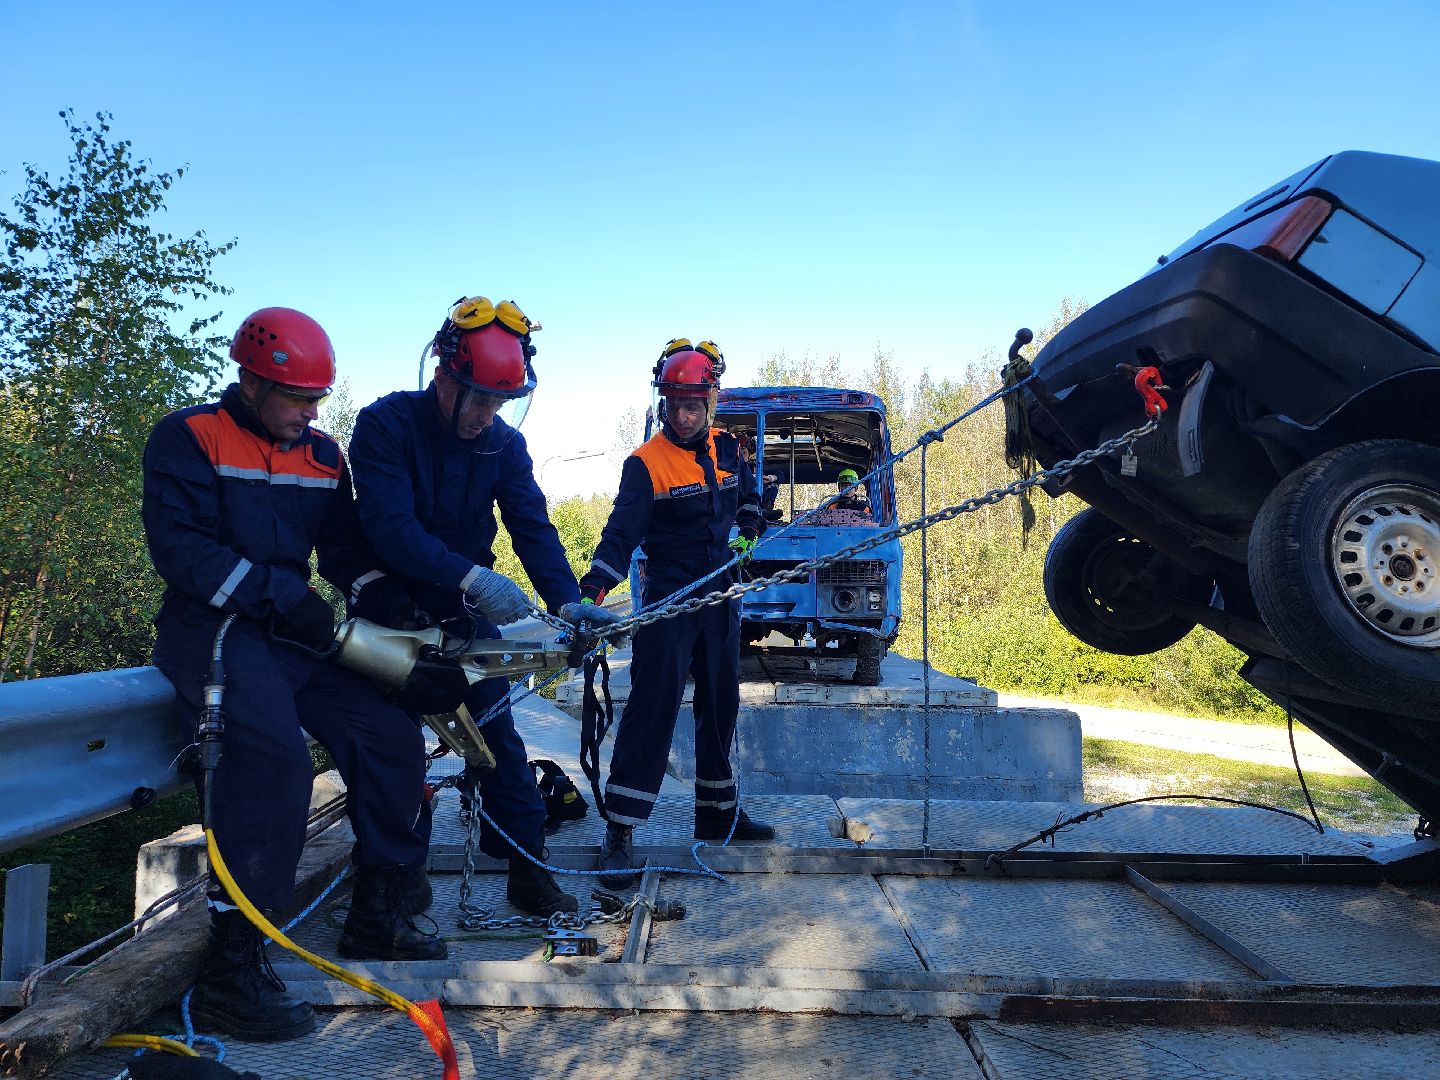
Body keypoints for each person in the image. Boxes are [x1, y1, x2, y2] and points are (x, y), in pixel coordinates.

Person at [143, 307, 444, 1044]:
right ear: (250, 381)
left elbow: (342, 553)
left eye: (317, 399)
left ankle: (380, 910)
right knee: (273, 760)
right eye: (297, 399)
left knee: (391, 737)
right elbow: (183, 554)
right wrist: (286, 599)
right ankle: (232, 969)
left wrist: (396, 611)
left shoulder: (320, 454)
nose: (311, 413)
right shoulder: (188, 439)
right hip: (213, 630)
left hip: (293, 635)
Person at [347, 295, 622, 917]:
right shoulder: (385, 426)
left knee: (499, 743)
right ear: (442, 374)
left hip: (458, 615)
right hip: (388, 613)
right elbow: (390, 529)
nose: (486, 414)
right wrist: (471, 577)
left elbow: (532, 526)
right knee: (393, 752)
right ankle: (395, 890)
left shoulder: (503, 444)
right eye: (476, 398)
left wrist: (569, 602)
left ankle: (528, 872)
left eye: (500, 402)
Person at [560, 338, 774, 888]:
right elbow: (619, 535)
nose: (682, 416)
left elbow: (748, 500)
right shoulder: (646, 464)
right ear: (663, 403)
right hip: (669, 600)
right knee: (653, 707)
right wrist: (594, 593)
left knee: (722, 702)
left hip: (720, 594)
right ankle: (622, 829)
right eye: (673, 405)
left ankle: (718, 812)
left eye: (693, 406)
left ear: (711, 403)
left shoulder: (730, 450)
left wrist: (751, 530)